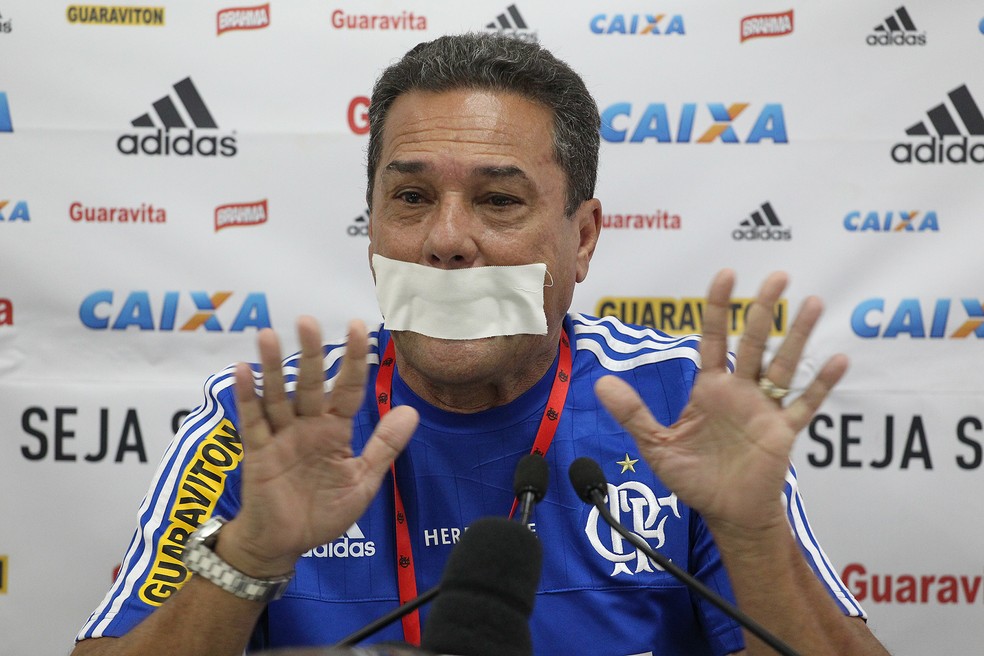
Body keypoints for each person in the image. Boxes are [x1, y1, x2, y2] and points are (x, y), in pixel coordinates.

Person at [73, 33, 889, 656]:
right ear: (374, 227)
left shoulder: (675, 405)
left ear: (583, 237)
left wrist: (753, 541)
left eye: (498, 200)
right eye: (411, 197)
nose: (447, 240)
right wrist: (248, 554)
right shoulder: (259, 423)